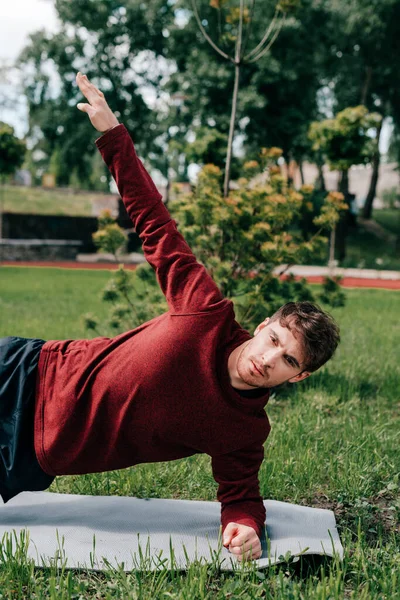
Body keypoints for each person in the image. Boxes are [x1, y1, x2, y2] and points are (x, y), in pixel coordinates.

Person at [0, 73, 340, 563]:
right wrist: (111, 134)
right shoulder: (205, 312)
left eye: (287, 360)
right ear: (264, 324)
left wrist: (244, 527)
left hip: (35, 451)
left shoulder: (242, 429)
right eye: (274, 341)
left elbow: (240, 495)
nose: (269, 359)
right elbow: (153, 220)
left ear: (299, 375)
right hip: (27, 371)